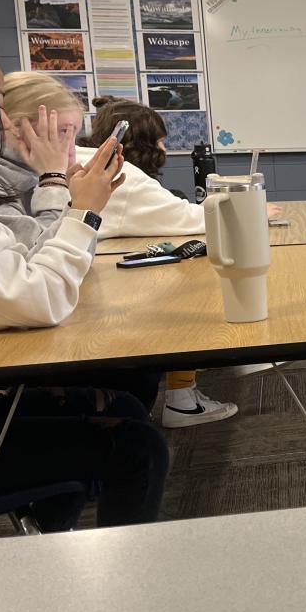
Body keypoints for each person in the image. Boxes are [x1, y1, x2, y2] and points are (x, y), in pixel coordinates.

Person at [0, 33, 168, 530]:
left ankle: (50, 541)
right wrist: (76, 204)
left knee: (126, 398)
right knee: (138, 447)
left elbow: (25, 267)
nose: (1, 121)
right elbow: (40, 296)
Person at [78, 96, 241, 427]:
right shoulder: (123, 176)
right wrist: (250, 210)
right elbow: (189, 218)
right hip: (96, 305)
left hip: (86, 280)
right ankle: (182, 400)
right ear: (142, 143)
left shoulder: (87, 163)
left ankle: (184, 392)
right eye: (161, 141)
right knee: (191, 290)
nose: (165, 149)